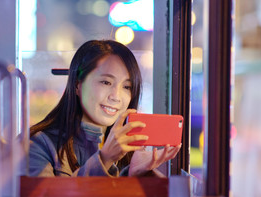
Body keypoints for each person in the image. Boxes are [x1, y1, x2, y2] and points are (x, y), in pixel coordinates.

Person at [29, 40, 181, 177]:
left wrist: (135, 175)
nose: (116, 96)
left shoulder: (127, 151)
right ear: (77, 84)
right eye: (106, 82)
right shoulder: (37, 144)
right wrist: (104, 159)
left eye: (127, 86)